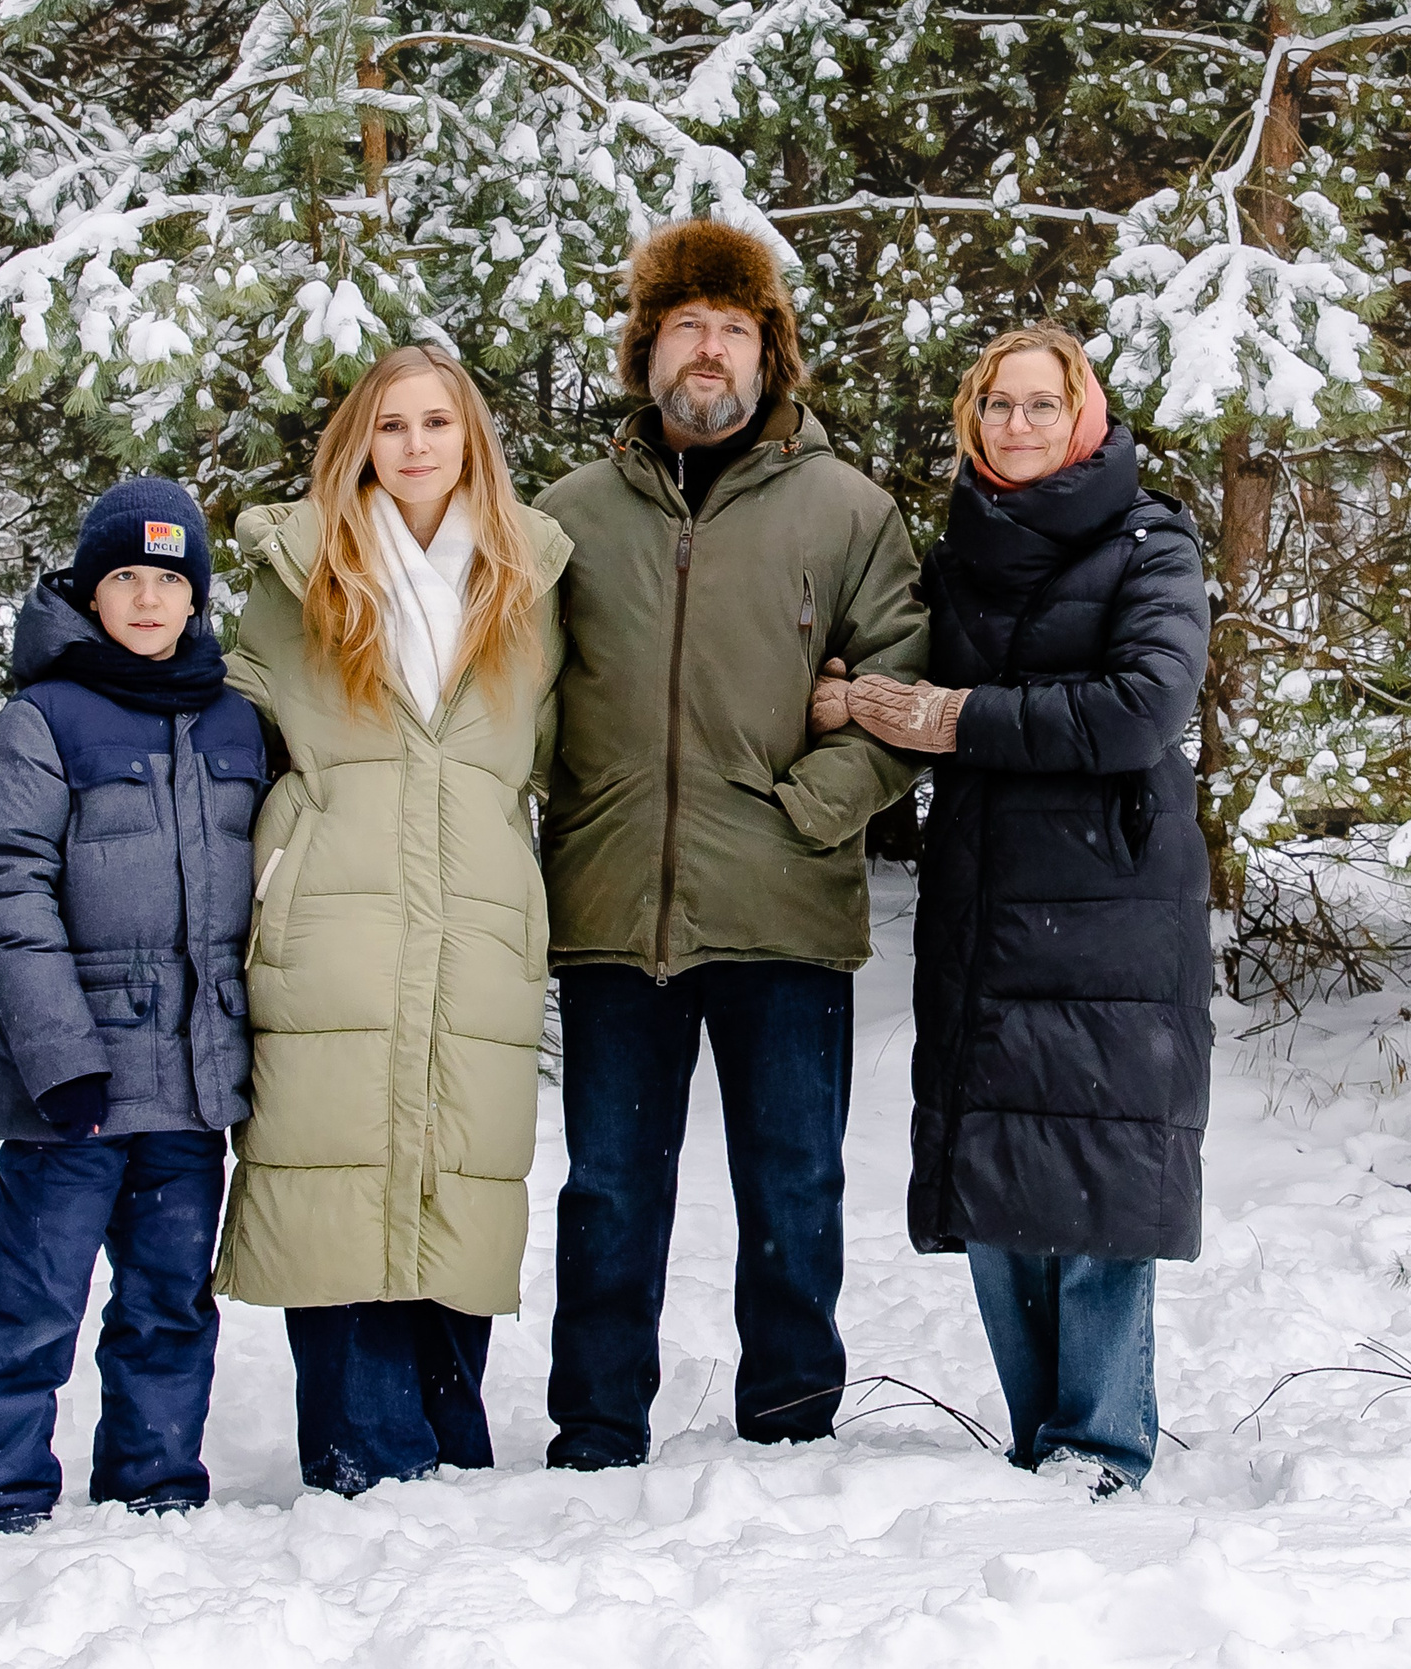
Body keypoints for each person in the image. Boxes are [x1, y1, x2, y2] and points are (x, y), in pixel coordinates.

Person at [533, 218, 927, 1472]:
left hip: (784, 906)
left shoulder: (850, 512)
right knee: (606, 1190)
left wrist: (807, 811)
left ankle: (792, 1417)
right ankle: (595, 1427)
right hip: (611, 910)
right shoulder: (564, 519)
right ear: (648, 349)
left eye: (735, 330)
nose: (710, 352)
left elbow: (906, 692)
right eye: (687, 327)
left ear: (771, 354)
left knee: (793, 1183)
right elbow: (513, 697)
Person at [826, 325, 1210, 1495]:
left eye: (1044, 404)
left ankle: (1099, 1443)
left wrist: (950, 718)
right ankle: (1036, 1432)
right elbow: (881, 660)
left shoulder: (1150, 542)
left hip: (1111, 899)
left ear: (1084, 416)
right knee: (994, 1178)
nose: (1019, 425)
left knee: (1097, 1183)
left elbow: (1140, 708)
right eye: (997, 405)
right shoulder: (956, 551)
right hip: (987, 895)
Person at [216, 344, 570, 1495]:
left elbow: (571, 756)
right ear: (357, 443)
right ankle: (366, 1449)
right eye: (390, 425)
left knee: (452, 1171)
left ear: (472, 438)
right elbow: (216, 721)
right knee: (338, 1171)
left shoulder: (530, 586)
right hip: (332, 914)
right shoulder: (298, 571)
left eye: (437, 423)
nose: (415, 446)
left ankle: (446, 1436)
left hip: (476, 921)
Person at [0, 478, 265, 1539]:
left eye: (169, 581)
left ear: (196, 599)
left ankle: (156, 1482)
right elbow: (2, 884)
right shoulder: (43, 718)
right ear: (89, 589)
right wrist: (57, 1050)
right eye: (125, 576)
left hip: (189, 1088)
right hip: (73, 1090)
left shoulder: (235, 720)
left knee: (169, 1304)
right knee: (34, 1305)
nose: (147, 599)